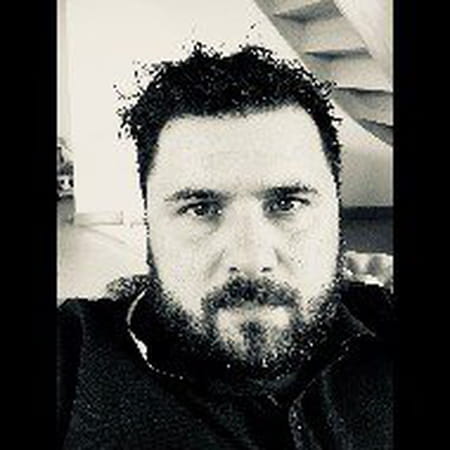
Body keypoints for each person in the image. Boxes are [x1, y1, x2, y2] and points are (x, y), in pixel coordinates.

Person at [57, 44, 394, 449]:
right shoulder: (74, 355)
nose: (251, 259)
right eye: (200, 208)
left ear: (337, 209)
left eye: (287, 203)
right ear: (148, 223)